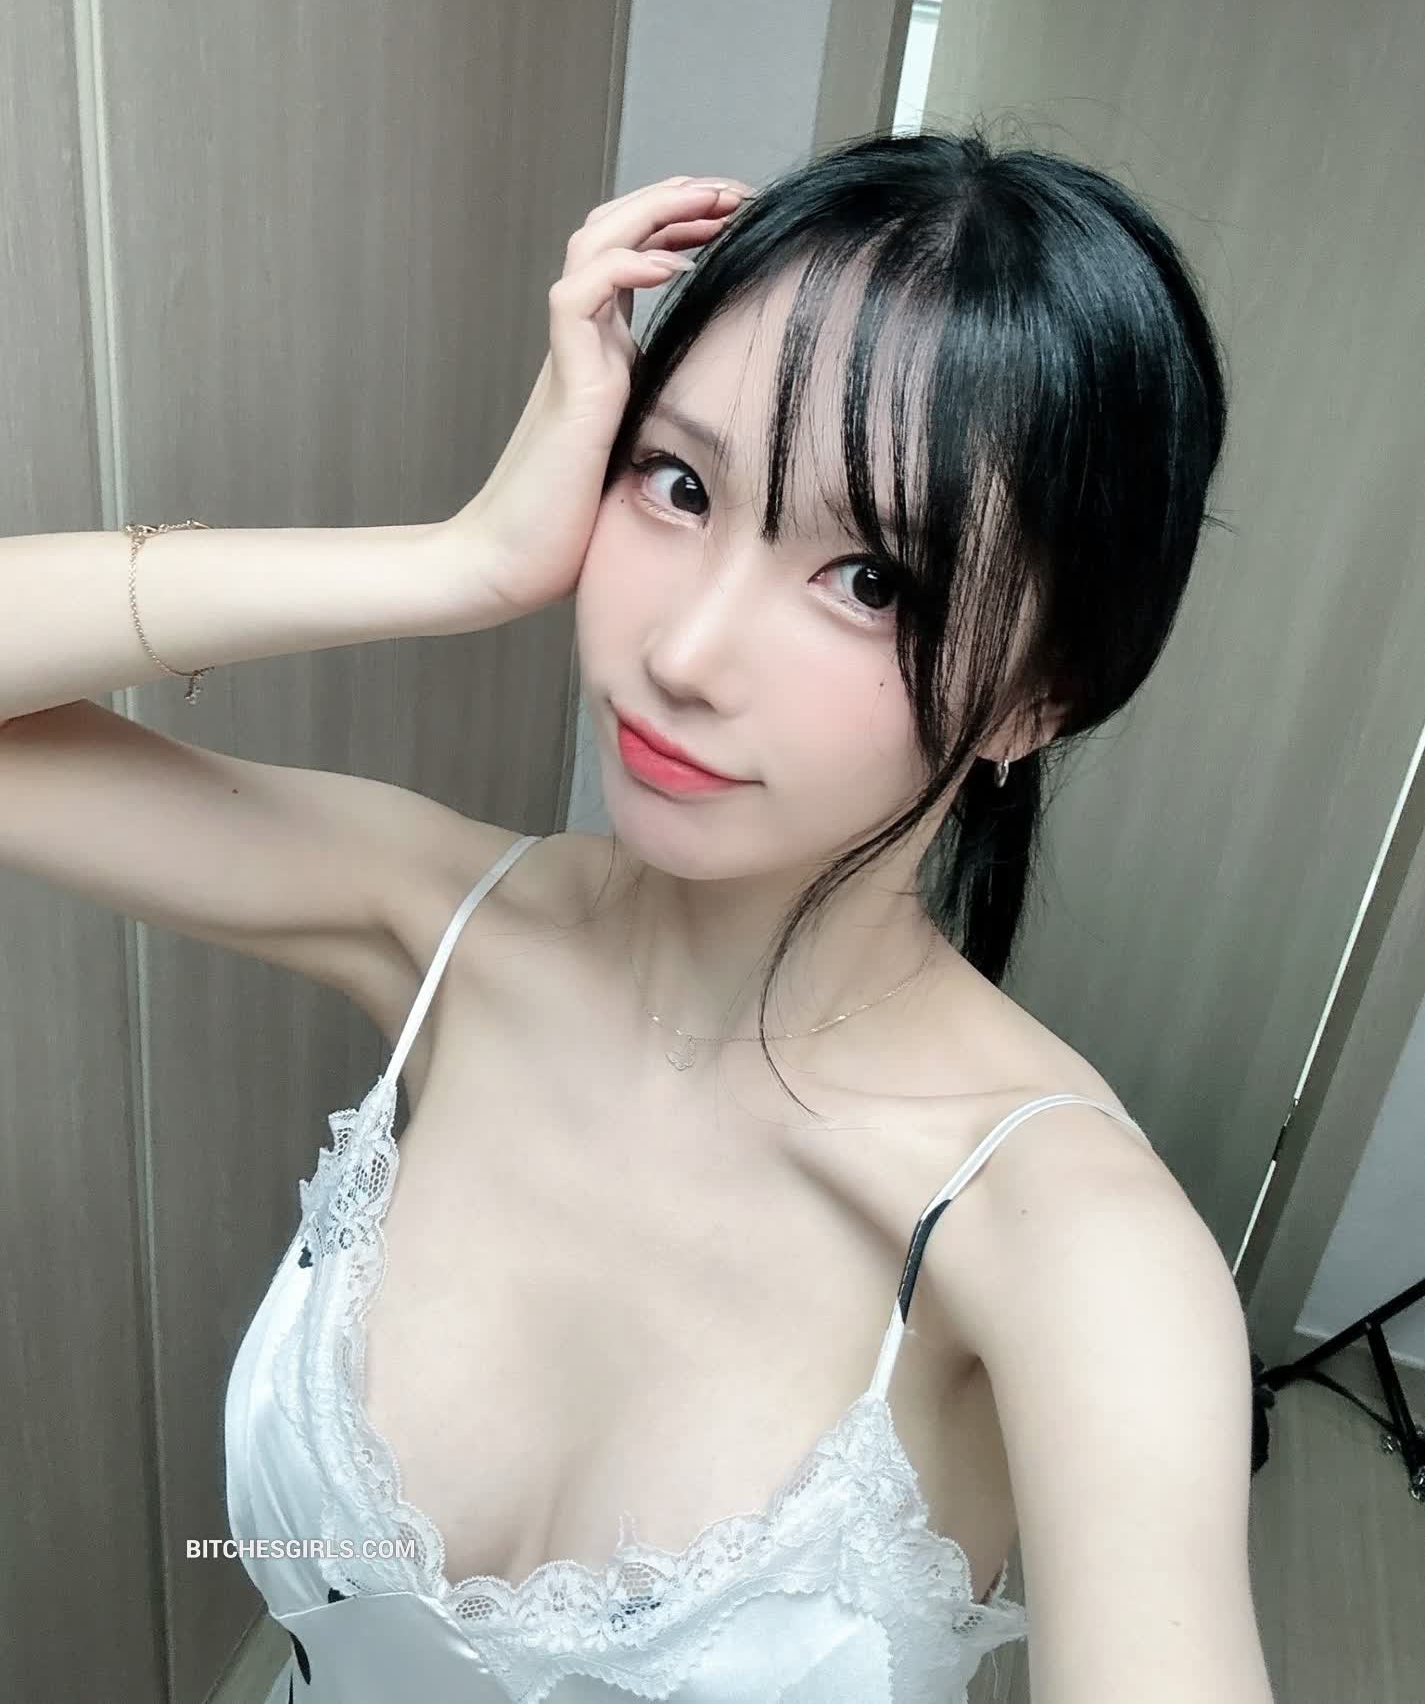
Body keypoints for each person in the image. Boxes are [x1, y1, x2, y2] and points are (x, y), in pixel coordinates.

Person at [0, 128, 1276, 1702]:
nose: (684, 652)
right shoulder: (442, 928)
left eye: (871, 580)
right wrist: (460, 560)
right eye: (678, 484)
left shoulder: (1072, 1244)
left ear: (1039, 697)